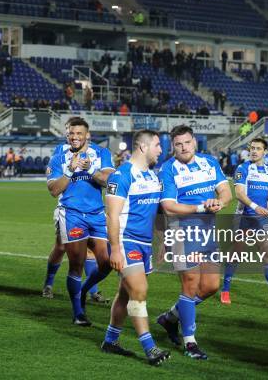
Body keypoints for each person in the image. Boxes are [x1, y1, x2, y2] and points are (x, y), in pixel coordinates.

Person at [155, 125, 232, 359]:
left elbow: (226, 192)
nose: (183, 147)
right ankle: (190, 343)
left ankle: (170, 318)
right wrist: (201, 206)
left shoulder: (209, 162)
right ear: (173, 147)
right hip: (183, 231)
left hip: (208, 232)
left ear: (194, 142)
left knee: (210, 286)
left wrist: (220, 203)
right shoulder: (168, 169)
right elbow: (168, 206)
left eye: (187, 142)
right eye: (178, 144)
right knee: (190, 284)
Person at [100, 129, 170, 365]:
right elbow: (112, 216)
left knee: (124, 294)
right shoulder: (121, 176)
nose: (161, 149)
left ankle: (110, 341)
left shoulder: (153, 176)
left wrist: (162, 240)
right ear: (143, 147)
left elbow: (158, 211)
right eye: (158, 145)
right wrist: (116, 248)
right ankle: (150, 349)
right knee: (139, 291)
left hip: (145, 244)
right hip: (125, 242)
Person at [46, 117, 115, 325]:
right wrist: (70, 170)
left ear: (87, 135)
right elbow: (54, 190)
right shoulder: (59, 157)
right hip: (72, 213)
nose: (75, 137)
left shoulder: (102, 153)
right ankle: (78, 313)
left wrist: (90, 170)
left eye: (79, 134)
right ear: (67, 135)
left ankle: (85, 289)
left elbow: (109, 182)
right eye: (71, 134)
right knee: (76, 264)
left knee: (107, 263)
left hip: (97, 214)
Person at [221, 138, 268, 308]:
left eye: (258, 148)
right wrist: (255, 207)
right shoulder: (243, 168)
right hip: (244, 218)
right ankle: (225, 289)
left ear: (265, 152)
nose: (254, 151)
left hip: (262, 219)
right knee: (237, 254)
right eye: (252, 148)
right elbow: (239, 193)